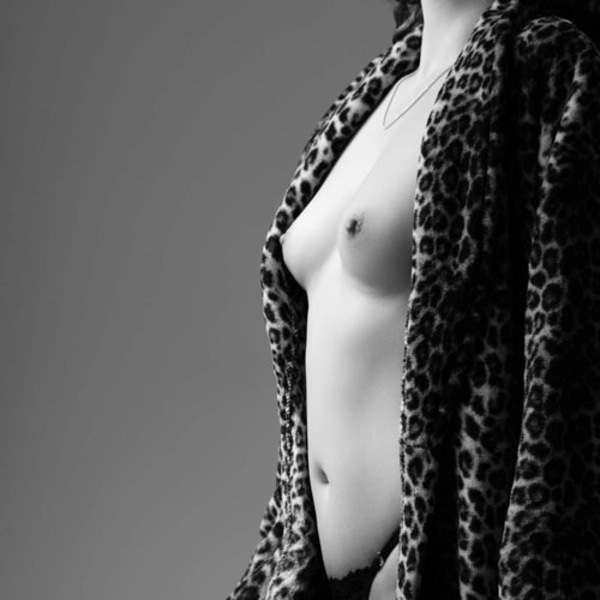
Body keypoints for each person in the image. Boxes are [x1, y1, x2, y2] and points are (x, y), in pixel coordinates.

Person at [226, 0, 600, 599]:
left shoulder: (545, 67)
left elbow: (568, 363)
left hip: (438, 564)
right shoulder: (369, 97)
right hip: (306, 568)